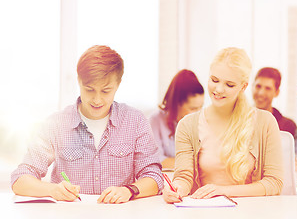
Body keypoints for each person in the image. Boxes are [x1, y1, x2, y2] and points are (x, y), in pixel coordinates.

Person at [11, 45, 163, 203]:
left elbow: (154, 177)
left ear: (118, 85)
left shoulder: (135, 121)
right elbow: (20, 179)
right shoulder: (55, 124)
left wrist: (129, 190)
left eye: (105, 91)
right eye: (89, 90)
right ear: (79, 81)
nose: (97, 100)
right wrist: (53, 190)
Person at [162, 47, 283, 203]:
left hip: (252, 212)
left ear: (243, 87)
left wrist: (223, 191)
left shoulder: (265, 122)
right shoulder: (187, 125)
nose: (218, 89)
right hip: (205, 212)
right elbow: (184, 177)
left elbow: (274, 183)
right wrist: (176, 188)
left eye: (230, 85)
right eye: (214, 80)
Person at [149, 69, 204, 169]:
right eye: (193, 108)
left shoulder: (202, 122)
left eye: (200, 107)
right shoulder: (156, 121)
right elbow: (155, 160)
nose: (198, 113)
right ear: (177, 104)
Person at [252, 67, 297, 135]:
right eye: (258, 86)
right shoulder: (238, 120)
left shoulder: (288, 127)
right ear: (252, 86)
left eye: (268, 88)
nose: (261, 93)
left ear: (277, 92)